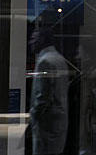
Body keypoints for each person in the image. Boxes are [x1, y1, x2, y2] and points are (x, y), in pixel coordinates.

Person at [29, 27, 69, 155]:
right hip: (58, 123)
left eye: (34, 39)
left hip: (46, 125)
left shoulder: (45, 61)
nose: (31, 42)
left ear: (42, 40)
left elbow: (43, 96)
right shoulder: (59, 59)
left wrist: (33, 116)